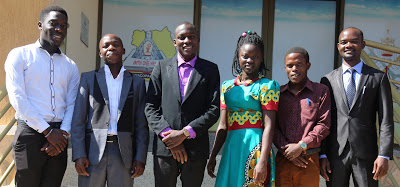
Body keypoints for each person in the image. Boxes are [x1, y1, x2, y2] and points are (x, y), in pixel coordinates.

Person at [4, 6, 79, 187]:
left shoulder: (71, 66)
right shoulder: (19, 55)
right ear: (40, 24)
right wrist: (46, 131)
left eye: (63, 26)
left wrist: (61, 134)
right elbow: (17, 97)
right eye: (53, 24)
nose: (59, 29)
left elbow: (72, 103)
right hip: (30, 133)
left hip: (59, 137)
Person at [145, 22, 220, 187]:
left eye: (191, 37)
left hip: (195, 150)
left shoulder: (210, 69)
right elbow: (150, 106)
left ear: (198, 40)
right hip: (165, 150)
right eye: (182, 37)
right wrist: (170, 137)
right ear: (174, 41)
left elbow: (214, 109)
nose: (187, 41)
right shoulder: (161, 67)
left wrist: (185, 133)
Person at [71, 34, 149, 186]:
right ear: (100, 53)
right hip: (92, 152)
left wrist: (140, 158)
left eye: (115, 45)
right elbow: (78, 120)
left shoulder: (137, 83)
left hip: (123, 154)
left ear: (123, 50)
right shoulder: (88, 79)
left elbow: (141, 124)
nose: (111, 48)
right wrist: (79, 154)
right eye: (105, 46)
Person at [320, 27, 394, 187]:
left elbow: (386, 120)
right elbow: (324, 120)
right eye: (344, 42)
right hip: (335, 154)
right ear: (338, 46)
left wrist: (384, 155)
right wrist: (322, 154)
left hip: (367, 155)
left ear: (363, 45)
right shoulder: (327, 80)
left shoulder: (378, 78)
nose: (348, 45)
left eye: (354, 42)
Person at [207, 30, 278, 187]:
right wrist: (212, 157)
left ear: (261, 59)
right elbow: (223, 125)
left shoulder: (267, 86)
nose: (250, 60)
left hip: (256, 148)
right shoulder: (227, 87)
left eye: (255, 57)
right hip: (232, 148)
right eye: (245, 56)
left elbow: (269, 126)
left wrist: (262, 160)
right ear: (237, 57)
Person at [273, 47, 331, 187]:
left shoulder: (320, 91)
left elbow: (324, 125)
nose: (294, 69)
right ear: (285, 68)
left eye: (299, 64)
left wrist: (301, 146)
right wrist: (287, 150)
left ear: (308, 66)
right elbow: (271, 125)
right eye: (290, 65)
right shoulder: (277, 93)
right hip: (283, 159)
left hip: (308, 160)